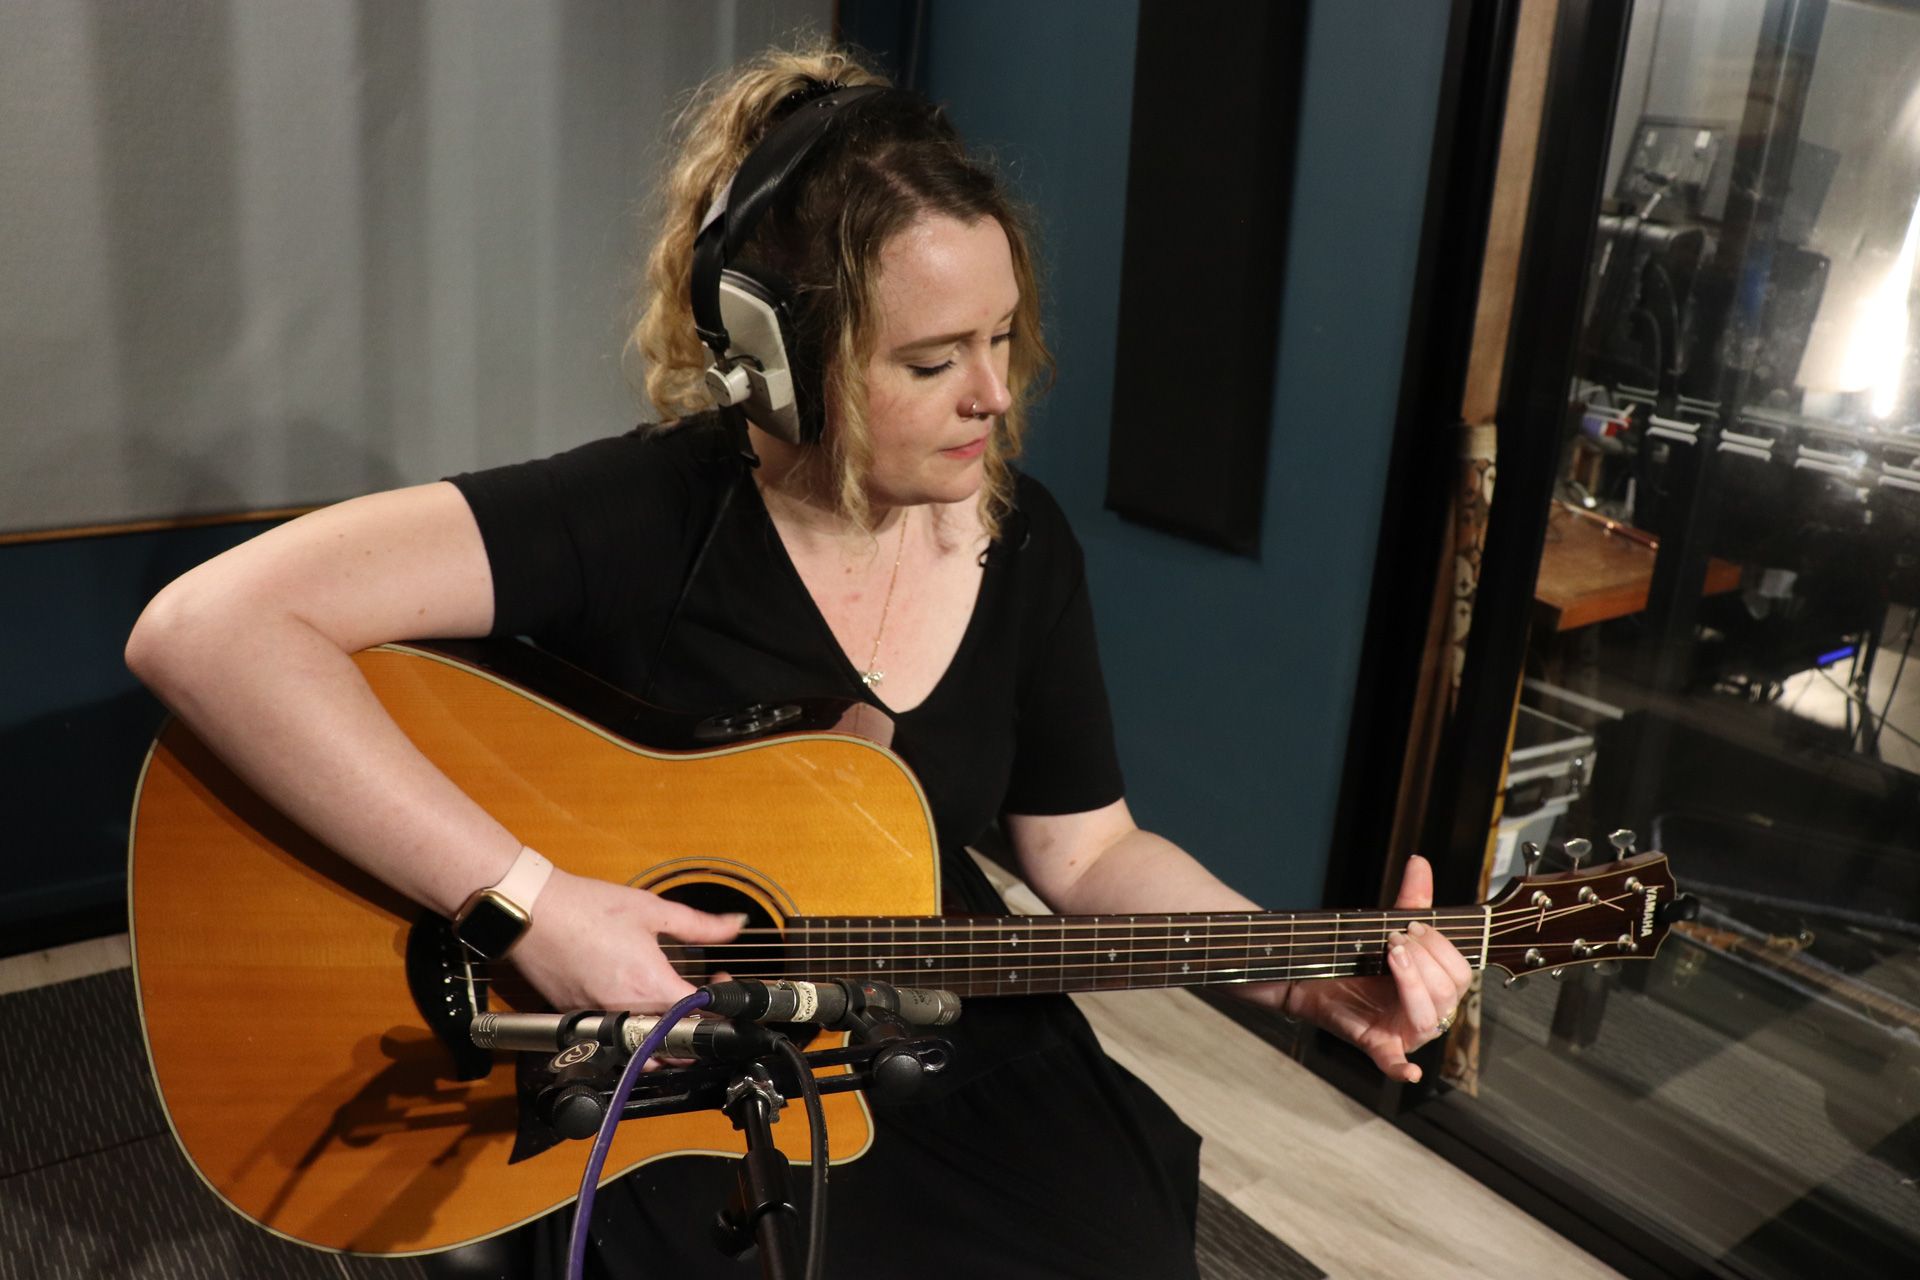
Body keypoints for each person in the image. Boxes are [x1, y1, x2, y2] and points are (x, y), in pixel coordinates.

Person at [125, 44, 1472, 1280]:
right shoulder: (640, 518)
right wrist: (533, 902)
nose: (997, 394)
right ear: (781, 360)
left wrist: (1293, 973)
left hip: (938, 1028)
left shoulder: (1025, 543)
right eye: (936, 358)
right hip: (680, 1076)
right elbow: (204, 628)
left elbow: (1088, 855)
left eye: (1002, 338)